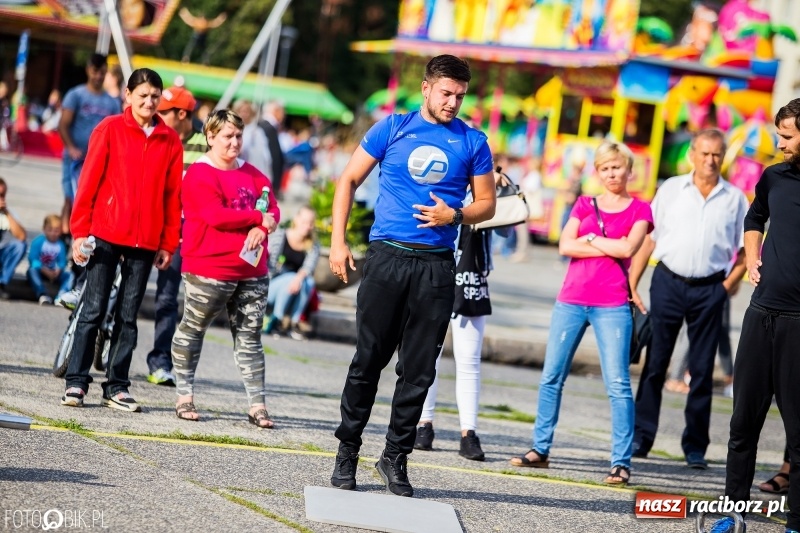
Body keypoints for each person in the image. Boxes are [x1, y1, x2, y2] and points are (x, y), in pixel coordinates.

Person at [328, 55, 496, 497]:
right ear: (426, 88)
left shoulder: (473, 141)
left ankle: (395, 457)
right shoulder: (393, 127)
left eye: (460, 96)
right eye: (446, 94)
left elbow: (487, 204)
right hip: (387, 258)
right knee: (368, 360)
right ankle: (347, 451)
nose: (453, 103)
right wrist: (338, 242)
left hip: (437, 267)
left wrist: (454, 213)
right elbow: (347, 180)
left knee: (419, 370)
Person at [508, 141, 653, 485]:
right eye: (605, 168)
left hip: (613, 303)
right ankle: (540, 449)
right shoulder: (585, 203)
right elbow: (564, 244)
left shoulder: (641, 209)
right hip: (571, 299)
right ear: (597, 172)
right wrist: (601, 244)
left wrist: (589, 240)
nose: (612, 173)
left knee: (617, 383)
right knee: (551, 376)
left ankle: (621, 462)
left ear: (629, 170)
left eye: (617, 167)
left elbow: (629, 247)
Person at [61, 68, 183, 412]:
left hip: (146, 242)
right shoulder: (109, 128)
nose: (149, 102)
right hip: (106, 234)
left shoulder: (170, 140)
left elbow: (173, 196)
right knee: (94, 309)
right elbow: (88, 181)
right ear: (127, 95)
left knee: (129, 316)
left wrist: (168, 243)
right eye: (142, 95)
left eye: (154, 96)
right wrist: (80, 232)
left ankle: (117, 385)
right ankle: (76, 381)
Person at [628, 129, 748, 469]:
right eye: (705, 153)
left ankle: (695, 446)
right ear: (692, 155)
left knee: (701, 366)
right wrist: (633, 281)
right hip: (668, 281)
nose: (710, 161)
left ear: (723, 158)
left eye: (717, 155)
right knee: (656, 364)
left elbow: (744, 251)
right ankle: (641, 436)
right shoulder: (671, 189)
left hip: (710, 289)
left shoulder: (735, 198)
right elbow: (650, 239)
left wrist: (724, 289)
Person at [709, 99, 800, 533]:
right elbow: (755, 214)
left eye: (787, 136)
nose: (778, 143)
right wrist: (751, 254)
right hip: (761, 314)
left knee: (799, 435)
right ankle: (732, 512)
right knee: (743, 422)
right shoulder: (774, 176)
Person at [171, 109, 280, 425]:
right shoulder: (199, 174)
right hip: (209, 268)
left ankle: (257, 405)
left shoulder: (254, 174)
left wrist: (263, 226)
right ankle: (184, 396)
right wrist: (257, 218)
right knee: (193, 328)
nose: (235, 143)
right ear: (210, 137)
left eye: (238, 136)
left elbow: (271, 205)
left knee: (250, 337)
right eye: (227, 137)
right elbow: (214, 214)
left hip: (252, 271)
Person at [414, 171, 512, 462]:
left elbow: (508, 230)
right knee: (427, 354)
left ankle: (469, 432)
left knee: (469, 359)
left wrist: (502, 190)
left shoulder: (489, 192)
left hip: (472, 280)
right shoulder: (444, 182)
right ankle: (424, 424)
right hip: (438, 271)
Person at [145, 85, 207, 387]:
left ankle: (160, 362)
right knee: (122, 290)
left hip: (181, 230)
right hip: (147, 222)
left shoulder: (205, 145)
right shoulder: (157, 136)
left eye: (164, 113)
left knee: (167, 298)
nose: (158, 117)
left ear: (182, 114)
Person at [57, 53, 121, 241]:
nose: (98, 76)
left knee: (91, 201)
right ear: (88, 70)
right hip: (74, 158)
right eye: (95, 71)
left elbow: (117, 130)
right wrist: (71, 147)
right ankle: (63, 241)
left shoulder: (111, 102)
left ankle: (85, 238)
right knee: (71, 199)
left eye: (102, 72)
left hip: (97, 161)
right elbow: (63, 124)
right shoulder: (76, 95)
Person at [263, 205, 320, 340]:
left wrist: (298, 279)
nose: (307, 226)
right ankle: (277, 319)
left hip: (295, 289)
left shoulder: (313, 245)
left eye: (310, 223)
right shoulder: (280, 236)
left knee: (309, 281)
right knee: (292, 277)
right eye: (304, 221)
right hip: (272, 286)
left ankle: (294, 322)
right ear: (296, 219)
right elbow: (269, 265)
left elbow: (308, 268)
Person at [27, 214, 73, 305]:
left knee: (69, 275)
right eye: (50, 230)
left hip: (53, 271)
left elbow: (62, 261)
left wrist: (59, 269)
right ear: (44, 229)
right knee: (31, 271)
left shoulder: (60, 245)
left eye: (56, 231)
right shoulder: (38, 241)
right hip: (40, 270)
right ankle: (42, 294)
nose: (53, 233)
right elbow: (32, 259)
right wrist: (44, 269)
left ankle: (62, 295)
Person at [0, 177, 27, 300]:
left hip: (2, 254)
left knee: (20, 245)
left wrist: (6, 212)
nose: (2, 199)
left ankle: (1, 284)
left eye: (3, 195)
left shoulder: (9, 213)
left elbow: (21, 236)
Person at [258, 101, 286, 198]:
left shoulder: (262, 125)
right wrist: (275, 184)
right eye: (282, 112)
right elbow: (274, 157)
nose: (283, 115)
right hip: (266, 178)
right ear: (276, 111)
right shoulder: (268, 128)